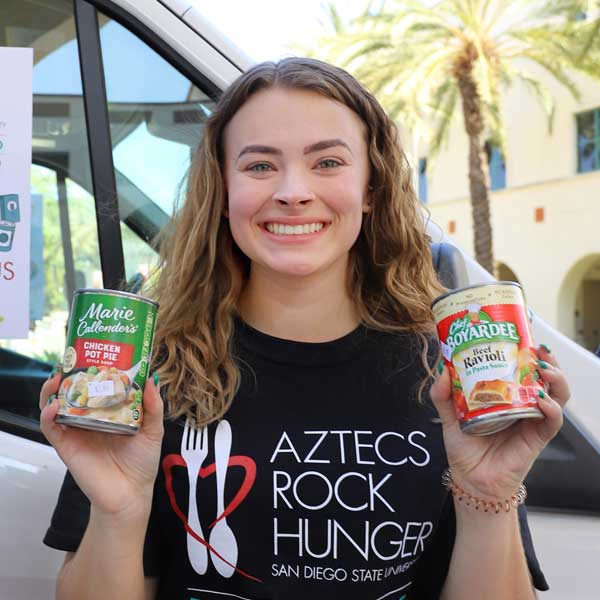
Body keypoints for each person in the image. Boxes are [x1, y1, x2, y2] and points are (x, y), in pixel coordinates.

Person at [40, 57, 570, 600]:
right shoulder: (146, 378)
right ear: (223, 191)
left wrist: (489, 494)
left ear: (371, 188)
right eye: (260, 166)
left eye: (328, 162)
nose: (293, 191)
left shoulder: (449, 372)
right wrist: (118, 510)